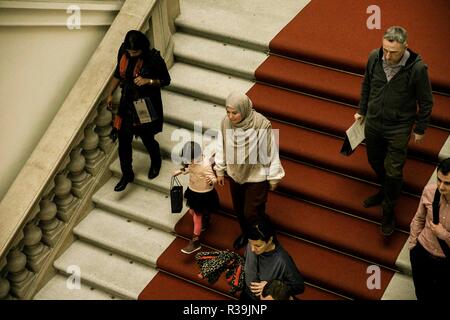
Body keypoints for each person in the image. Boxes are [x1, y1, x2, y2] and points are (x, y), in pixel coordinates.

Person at [354, 26, 434, 236]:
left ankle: (388, 210)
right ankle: (386, 188)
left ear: (405, 47)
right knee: (374, 160)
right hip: (373, 121)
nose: (388, 56)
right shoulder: (374, 57)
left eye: (394, 52)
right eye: (385, 50)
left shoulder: (417, 69)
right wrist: (362, 110)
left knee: (394, 170)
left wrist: (420, 127)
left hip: (399, 126)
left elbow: (426, 101)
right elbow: (367, 84)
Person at [214, 91, 285, 249]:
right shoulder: (226, 123)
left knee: (251, 212)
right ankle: (247, 234)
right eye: (228, 112)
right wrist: (220, 169)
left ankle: (264, 236)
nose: (230, 117)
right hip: (235, 173)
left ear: (244, 109)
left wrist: (273, 176)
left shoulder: (261, 124)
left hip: (256, 175)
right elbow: (221, 145)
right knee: (239, 210)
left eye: (235, 113)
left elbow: (270, 150)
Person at [105, 30, 171, 192]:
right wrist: (110, 94)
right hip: (127, 101)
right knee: (123, 140)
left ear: (143, 48)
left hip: (144, 104)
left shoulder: (153, 58)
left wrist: (148, 81)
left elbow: (166, 80)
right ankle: (127, 173)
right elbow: (117, 74)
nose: (132, 54)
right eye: (130, 51)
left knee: (147, 137)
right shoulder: (124, 52)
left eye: (135, 51)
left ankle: (156, 160)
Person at [408, 158, 450, 301]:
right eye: (439, 180)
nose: (441, 186)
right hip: (421, 252)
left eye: (447, 183)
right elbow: (419, 219)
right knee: (421, 293)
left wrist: (444, 235)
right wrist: (413, 245)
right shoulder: (429, 191)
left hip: (446, 261)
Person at [239, 217, 304, 301]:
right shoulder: (253, 243)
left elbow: (299, 286)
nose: (252, 249)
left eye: (258, 246)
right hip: (247, 294)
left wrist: (272, 286)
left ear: (269, 240)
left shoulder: (282, 259)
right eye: (250, 243)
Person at [173, 141, 219, 254]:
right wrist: (180, 171)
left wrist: (211, 181)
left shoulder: (205, 165)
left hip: (203, 194)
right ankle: (206, 218)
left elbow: (214, 179)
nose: (189, 162)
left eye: (191, 159)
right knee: (192, 212)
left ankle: (195, 241)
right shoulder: (192, 161)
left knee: (197, 217)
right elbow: (189, 168)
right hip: (193, 191)